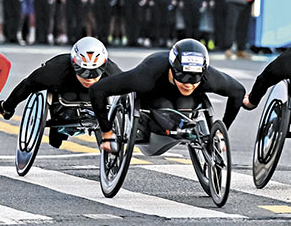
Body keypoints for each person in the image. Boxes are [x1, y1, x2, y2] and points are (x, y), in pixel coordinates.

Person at [89, 39, 246, 151]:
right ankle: (171, 124)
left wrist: (221, 132)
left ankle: (187, 125)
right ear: (172, 69)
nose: (189, 83)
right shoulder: (146, 76)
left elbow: (239, 92)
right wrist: (107, 132)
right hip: (154, 97)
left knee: (185, 105)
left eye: (195, 78)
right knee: (164, 108)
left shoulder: (208, 77)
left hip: (186, 102)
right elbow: (97, 90)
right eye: (183, 76)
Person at [0, 37, 122, 148]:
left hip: (96, 99)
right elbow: (27, 85)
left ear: (103, 66)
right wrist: (8, 107)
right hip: (64, 97)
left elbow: (129, 95)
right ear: (74, 65)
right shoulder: (55, 71)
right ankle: (58, 128)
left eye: (95, 72)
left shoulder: (113, 73)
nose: (89, 78)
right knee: (55, 142)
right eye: (82, 71)